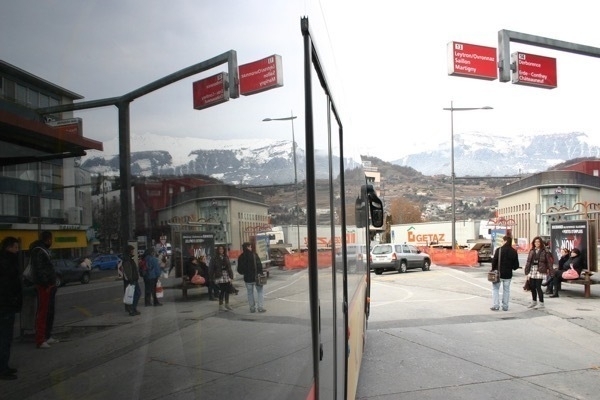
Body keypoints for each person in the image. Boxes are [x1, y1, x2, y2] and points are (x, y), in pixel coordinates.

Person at [29, 231, 59, 349]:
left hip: (48, 285)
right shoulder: (39, 251)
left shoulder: (42, 250)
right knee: (43, 311)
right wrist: (47, 283)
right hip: (44, 286)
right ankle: (40, 338)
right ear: (48, 239)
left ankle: (46, 335)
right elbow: (40, 269)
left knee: (48, 311)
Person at [0, 237, 22, 380]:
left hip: (5, 303)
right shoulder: (7, 263)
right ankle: (3, 369)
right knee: (5, 338)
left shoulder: (5, 261)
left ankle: (4, 366)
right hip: (5, 305)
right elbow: (8, 285)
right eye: (15, 247)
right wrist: (13, 299)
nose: (17, 250)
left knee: (5, 337)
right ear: (9, 248)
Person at [490, 235, 520, 311]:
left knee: (495, 289)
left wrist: (493, 269)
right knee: (506, 290)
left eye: (502, 241)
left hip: (498, 274)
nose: (502, 242)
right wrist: (511, 267)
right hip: (508, 274)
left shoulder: (499, 250)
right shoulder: (514, 252)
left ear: (505, 241)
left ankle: (496, 305)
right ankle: (505, 306)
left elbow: (494, 262)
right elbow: (516, 266)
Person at [524, 236, 553, 309]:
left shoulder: (545, 251)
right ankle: (534, 301)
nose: (537, 243)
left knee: (538, 286)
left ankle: (541, 302)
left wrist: (551, 271)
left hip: (540, 269)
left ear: (541, 243)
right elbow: (528, 261)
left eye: (538, 242)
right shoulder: (532, 250)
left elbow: (549, 262)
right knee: (532, 286)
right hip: (532, 269)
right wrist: (527, 271)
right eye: (535, 242)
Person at [237, 242, 266, 313]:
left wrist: (245, 272)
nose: (251, 248)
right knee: (260, 292)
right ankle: (260, 307)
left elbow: (239, 270)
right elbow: (259, 266)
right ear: (247, 247)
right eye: (250, 247)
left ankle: (252, 308)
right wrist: (261, 274)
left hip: (247, 278)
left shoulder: (241, 257)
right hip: (256, 277)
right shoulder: (254, 255)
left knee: (250, 293)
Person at [211, 246, 234, 311]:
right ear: (218, 250)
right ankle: (221, 305)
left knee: (227, 290)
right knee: (222, 290)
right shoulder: (215, 258)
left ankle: (227, 304)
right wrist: (212, 277)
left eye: (222, 249)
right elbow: (212, 268)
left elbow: (229, 267)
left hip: (226, 274)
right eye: (220, 249)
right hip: (219, 275)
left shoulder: (226, 257)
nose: (221, 250)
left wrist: (231, 276)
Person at [122, 245, 141, 316]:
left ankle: (133, 308)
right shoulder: (127, 260)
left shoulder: (129, 259)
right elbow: (128, 271)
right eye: (132, 250)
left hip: (134, 279)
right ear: (129, 251)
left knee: (135, 294)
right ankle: (132, 309)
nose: (133, 251)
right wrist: (130, 279)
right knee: (132, 295)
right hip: (132, 280)